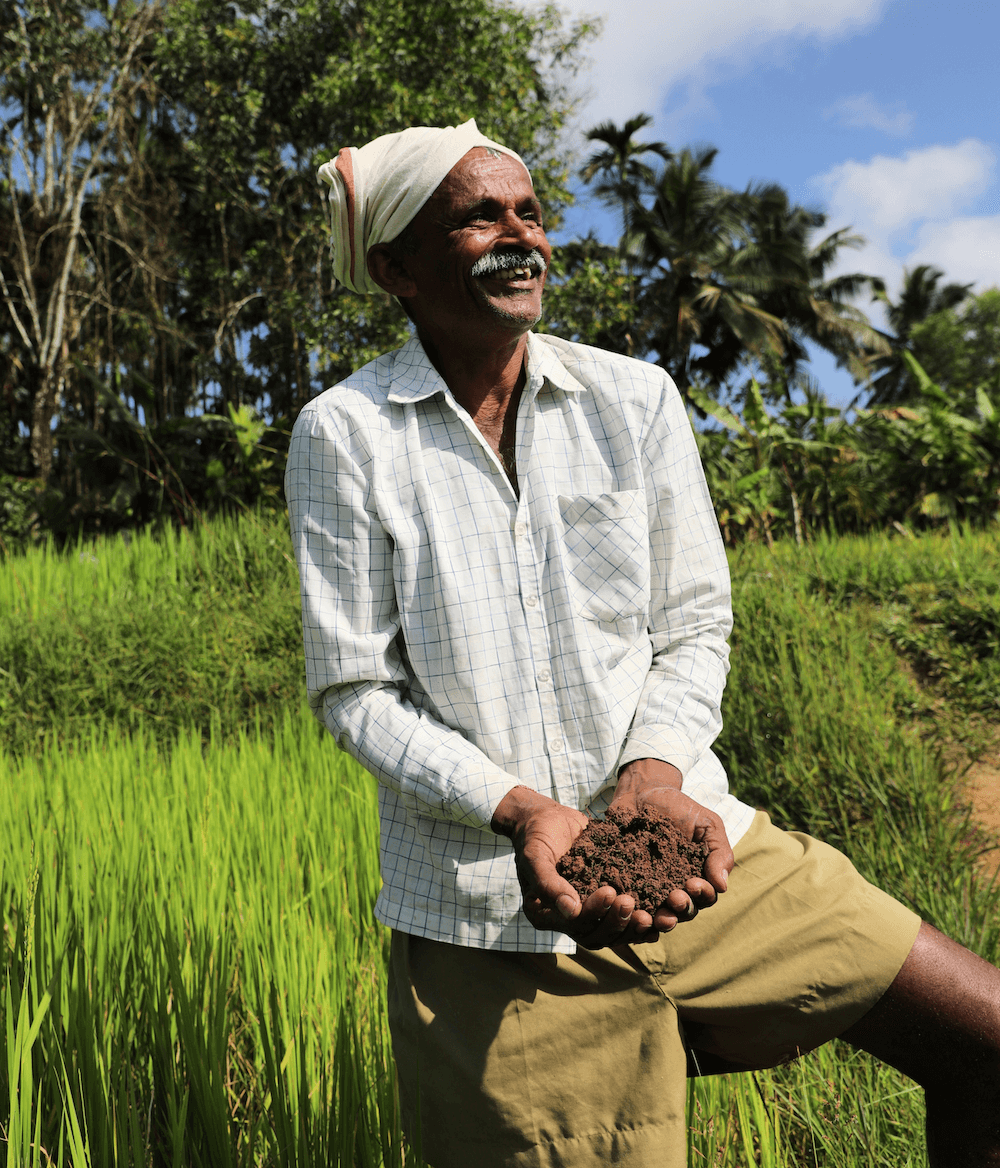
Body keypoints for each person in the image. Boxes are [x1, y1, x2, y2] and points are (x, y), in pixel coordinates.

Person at [285, 120, 1000, 1167]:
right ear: (396, 268)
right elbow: (356, 689)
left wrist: (654, 776)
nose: (520, 236)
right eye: (480, 217)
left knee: (986, 1042)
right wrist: (524, 810)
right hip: (496, 924)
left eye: (529, 212)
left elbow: (694, 619)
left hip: (697, 854)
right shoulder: (347, 433)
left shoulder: (632, 400)